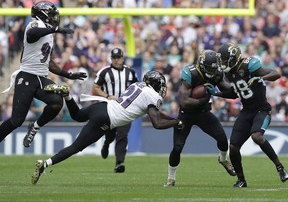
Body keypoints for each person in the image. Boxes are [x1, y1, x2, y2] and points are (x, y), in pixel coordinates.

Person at [31, 70, 184, 185]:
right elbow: (157, 123)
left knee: (77, 115)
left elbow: (157, 114)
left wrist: (174, 119)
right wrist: (176, 123)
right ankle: (45, 164)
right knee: (76, 147)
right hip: (106, 118)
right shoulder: (153, 95)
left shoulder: (138, 85)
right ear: (156, 84)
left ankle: (67, 95)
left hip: (102, 106)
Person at [0, 1, 87, 148]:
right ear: (43, 14)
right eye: (52, 14)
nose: (54, 17)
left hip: (40, 78)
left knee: (57, 102)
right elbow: (32, 34)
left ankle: (35, 127)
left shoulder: (48, 31)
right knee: (16, 121)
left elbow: (49, 62)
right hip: (27, 76)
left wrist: (68, 75)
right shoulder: (35, 25)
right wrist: (56, 29)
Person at [216, 42, 288, 187]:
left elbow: (276, 73)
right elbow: (234, 93)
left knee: (257, 136)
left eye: (224, 59)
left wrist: (262, 78)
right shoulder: (229, 73)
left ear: (232, 58)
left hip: (262, 110)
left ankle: (280, 168)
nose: (222, 63)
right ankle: (241, 180)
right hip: (246, 111)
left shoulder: (249, 64)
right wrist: (216, 93)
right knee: (234, 147)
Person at [164, 50, 236, 187]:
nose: (213, 70)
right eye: (210, 67)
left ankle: (223, 159)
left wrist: (218, 92)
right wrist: (204, 98)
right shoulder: (190, 72)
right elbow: (184, 101)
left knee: (222, 139)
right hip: (186, 113)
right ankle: (171, 177)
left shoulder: (217, 72)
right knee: (178, 147)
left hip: (204, 113)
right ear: (202, 65)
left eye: (215, 67)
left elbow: (232, 93)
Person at [91, 47, 138, 173]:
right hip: (110, 108)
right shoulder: (104, 72)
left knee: (122, 135)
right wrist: (107, 96)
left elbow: (137, 88)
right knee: (110, 135)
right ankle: (106, 144)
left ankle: (119, 163)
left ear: (123, 58)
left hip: (126, 109)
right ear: (111, 59)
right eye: (114, 58)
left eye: (119, 57)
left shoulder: (131, 72)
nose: (117, 60)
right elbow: (95, 87)